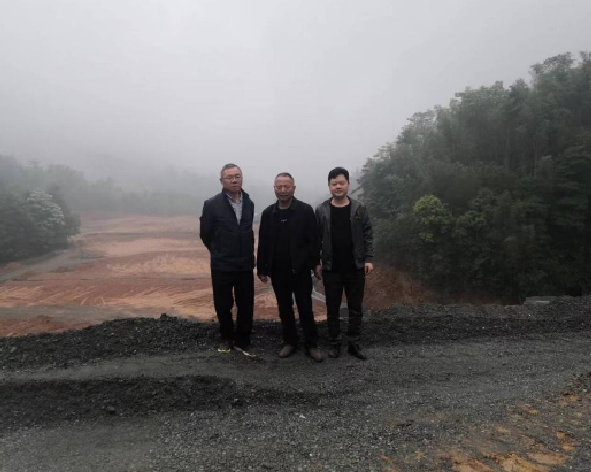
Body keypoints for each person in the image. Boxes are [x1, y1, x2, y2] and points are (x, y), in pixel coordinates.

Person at [257, 172, 323, 362]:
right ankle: (290, 342)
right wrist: (262, 268)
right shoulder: (268, 214)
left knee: (305, 307)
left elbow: (314, 240)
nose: (283, 190)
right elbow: (263, 242)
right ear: (274, 189)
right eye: (279, 187)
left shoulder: (305, 210)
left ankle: (312, 344)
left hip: (301, 269)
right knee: (284, 308)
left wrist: (315, 263)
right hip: (278, 270)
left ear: (293, 189)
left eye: (287, 186)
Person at [315, 167, 374, 360]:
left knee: (355, 308)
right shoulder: (321, 210)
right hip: (331, 268)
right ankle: (335, 343)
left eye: (341, 183)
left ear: (348, 184)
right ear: (329, 186)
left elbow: (368, 234)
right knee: (332, 309)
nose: (338, 186)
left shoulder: (359, 208)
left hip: (355, 267)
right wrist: (316, 262)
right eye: (334, 183)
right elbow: (315, 239)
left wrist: (368, 259)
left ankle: (354, 344)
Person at [199, 163, 255, 356]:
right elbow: (205, 233)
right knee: (223, 304)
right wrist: (218, 251)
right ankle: (226, 337)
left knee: (246, 303)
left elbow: (248, 232)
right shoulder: (212, 204)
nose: (234, 180)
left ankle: (243, 339)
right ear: (222, 181)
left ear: (242, 178)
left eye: (237, 176)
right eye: (229, 177)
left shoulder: (249, 203)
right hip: (222, 263)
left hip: (245, 263)